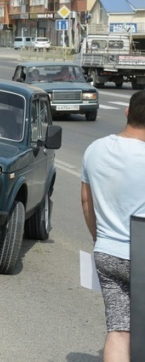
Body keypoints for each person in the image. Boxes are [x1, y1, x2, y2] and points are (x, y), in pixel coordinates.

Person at [81, 90, 145, 362]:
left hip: (107, 253)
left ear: (127, 112)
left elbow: (86, 202)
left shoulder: (95, 149)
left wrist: (100, 239)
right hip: (140, 254)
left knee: (119, 330)